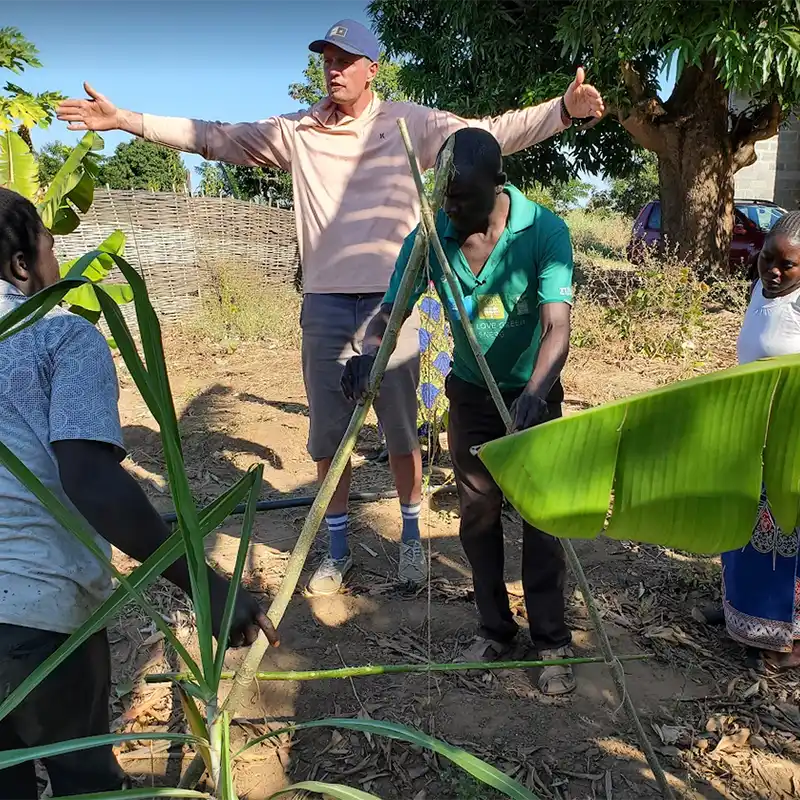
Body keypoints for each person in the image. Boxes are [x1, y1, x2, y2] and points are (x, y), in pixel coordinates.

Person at [56, 18, 604, 596]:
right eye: (326, 59)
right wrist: (126, 121)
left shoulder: (407, 123)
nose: (334, 69)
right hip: (324, 305)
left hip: (393, 305)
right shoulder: (298, 131)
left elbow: (487, 135)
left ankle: (411, 540)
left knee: (399, 431)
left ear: (373, 69)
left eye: (346, 60)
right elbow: (213, 135)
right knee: (328, 435)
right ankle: (337, 549)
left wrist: (562, 111)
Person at [0, 188, 279, 798]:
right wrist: (211, 589)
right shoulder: (58, 337)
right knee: (85, 780)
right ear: (22, 265)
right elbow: (91, 480)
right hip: (35, 615)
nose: (57, 262)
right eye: (50, 245)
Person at [341, 128, 576, 695]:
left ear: (497, 184)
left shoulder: (543, 231)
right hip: (470, 394)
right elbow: (391, 313)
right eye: (444, 199)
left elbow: (556, 326)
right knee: (477, 517)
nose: (450, 211)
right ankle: (495, 628)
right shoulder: (431, 236)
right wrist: (365, 352)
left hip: (532, 394)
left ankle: (552, 641)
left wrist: (535, 393)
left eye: (461, 199)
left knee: (542, 520)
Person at [722, 210, 800, 673]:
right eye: (765, 259)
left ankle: (789, 640)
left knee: (789, 537)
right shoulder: (761, 290)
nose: (771, 271)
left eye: (785, 265)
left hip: (792, 443)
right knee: (749, 530)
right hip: (754, 435)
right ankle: (747, 614)